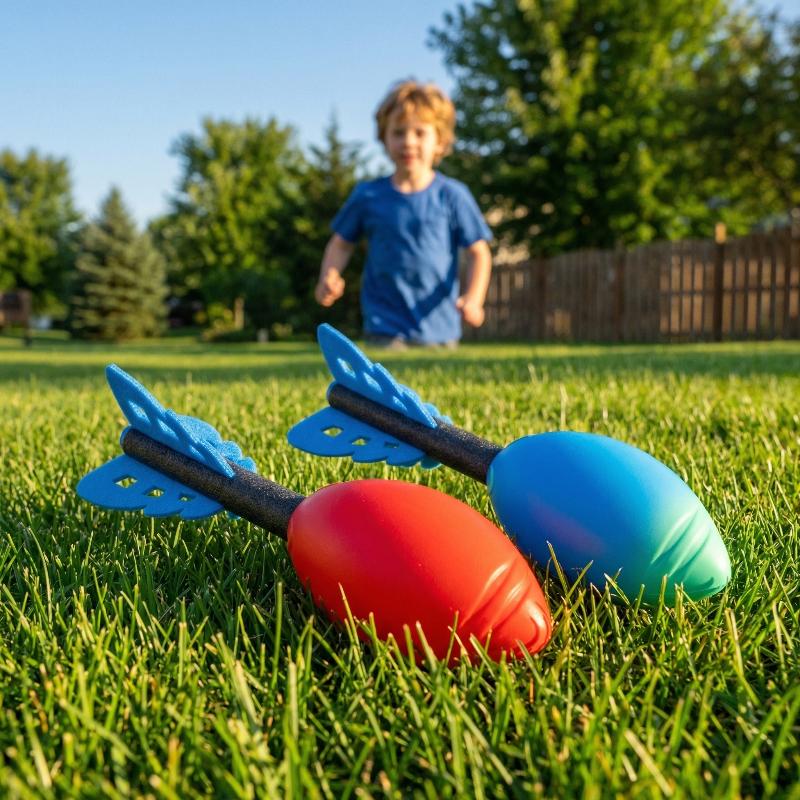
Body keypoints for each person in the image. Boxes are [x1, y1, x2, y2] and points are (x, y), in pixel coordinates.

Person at [314, 79, 492, 348]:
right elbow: (341, 244)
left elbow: (479, 252)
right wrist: (329, 276)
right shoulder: (368, 195)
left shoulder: (453, 196)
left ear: (440, 141)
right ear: (384, 138)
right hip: (383, 326)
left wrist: (474, 299)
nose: (408, 142)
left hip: (439, 328)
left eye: (420, 133)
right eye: (398, 132)